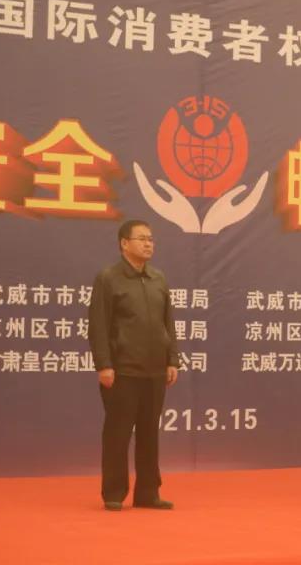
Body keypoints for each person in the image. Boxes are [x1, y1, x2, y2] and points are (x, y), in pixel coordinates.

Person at [87, 219, 179, 512]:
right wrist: (104, 364)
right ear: (124, 244)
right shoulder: (109, 278)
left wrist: (172, 359)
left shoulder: (158, 278)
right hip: (122, 370)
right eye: (142, 239)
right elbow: (98, 325)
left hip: (155, 370)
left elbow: (168, 323)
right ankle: (114, 492)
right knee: (118, 433)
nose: (148, 244)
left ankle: (148, 492)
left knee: (150, 433)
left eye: (151, 239)